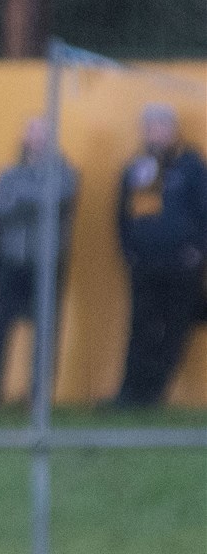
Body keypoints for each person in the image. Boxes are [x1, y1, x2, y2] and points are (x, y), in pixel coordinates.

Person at [109, 104, 207, 408]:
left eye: (160, 127)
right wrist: (130, 253)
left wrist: (198, 251)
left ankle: (153, 394)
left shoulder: (191, 166)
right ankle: (129, 394)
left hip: (182, 264)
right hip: (145, 264)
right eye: (149, 128)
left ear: (172, 130)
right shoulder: (137, 167)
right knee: (140, 327)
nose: (155, 134)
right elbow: (122, 214)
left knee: (174, 329)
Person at [0, 117, 78, 410]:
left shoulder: (64, 172)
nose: (37, 140)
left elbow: (54, 199)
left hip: (46, 263)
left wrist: (17, 198)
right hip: (11, 261)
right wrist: (28, 200)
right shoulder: (10, 172)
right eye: (32, 134)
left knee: (45, 332)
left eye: (43, 135)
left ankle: (37, 397)